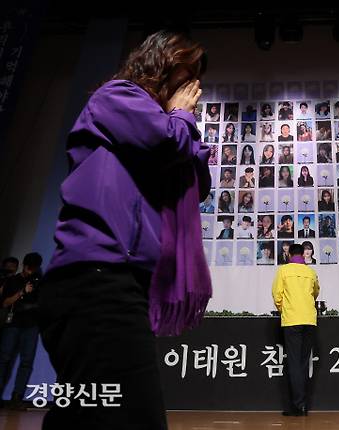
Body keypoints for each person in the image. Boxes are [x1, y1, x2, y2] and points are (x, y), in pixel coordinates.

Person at [37, 31, 211, 430]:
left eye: (191, 82)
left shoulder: (163, 121)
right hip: (96, 280)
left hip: (112, 281)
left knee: (81, 411)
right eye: (181, 76)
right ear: (157, 64)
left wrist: (182, 125)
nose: (187, 89)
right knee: (137, 417)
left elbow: (197, 182)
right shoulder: (117, 96)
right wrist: (181, 116)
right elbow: (167, 142)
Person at [272, 244, 320, 416]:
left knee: (293, 363)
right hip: (309, 320)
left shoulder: (284, 271)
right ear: (303, 255)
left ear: (290, 254)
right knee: (303, 363)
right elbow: (316, 292)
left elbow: (277, 295)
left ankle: (298, 405)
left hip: (292, 320)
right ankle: (303, 404)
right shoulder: (311, 272)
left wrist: (284, 309)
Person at [0, 252, 43, 410]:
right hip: (13, 324)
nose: (31, 271)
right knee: (4, 359)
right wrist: (22, 292)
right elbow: (5, 303)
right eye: (29, 267)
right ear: (24, 265)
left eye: (34, 268)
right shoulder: (13, 280)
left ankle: (16, 398)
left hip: (31, 326)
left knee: (27, 362)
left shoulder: (40, 282)